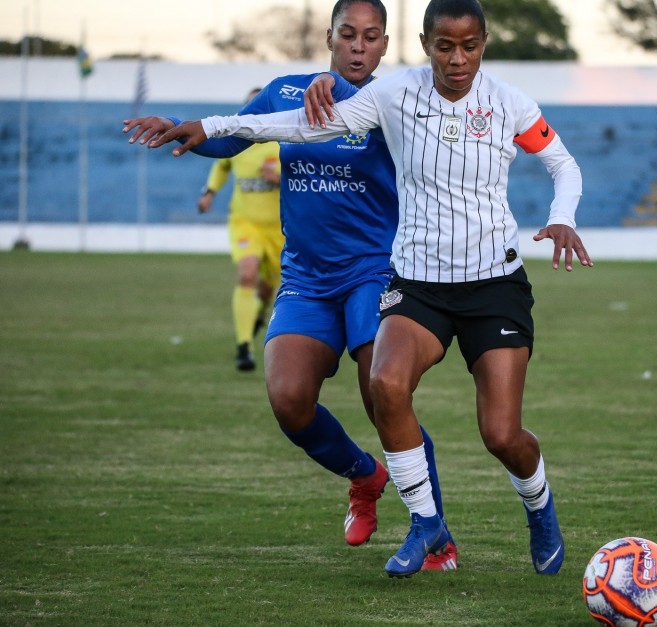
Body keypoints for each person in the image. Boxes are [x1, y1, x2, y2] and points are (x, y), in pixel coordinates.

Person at [144, 0, 592, 578]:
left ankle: (539, 508)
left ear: (484, 42)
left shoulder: (508, 104)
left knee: (501, 435)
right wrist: (214, 126)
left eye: (470, 45)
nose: (457, 58)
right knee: (380, 385)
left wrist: (564, 216)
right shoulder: (392, 96)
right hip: (412, 285)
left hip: (486, 284)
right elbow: (299, 125)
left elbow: (562, 163)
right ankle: (425, 523)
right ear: (425, 43)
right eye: (445, 46)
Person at [123, 0, 458, 571]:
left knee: (384, 395)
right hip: (306, 275)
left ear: (383, 46)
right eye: (348, 34)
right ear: (329, 37)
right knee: (289, 401)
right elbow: (233, 137)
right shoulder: (285, 93)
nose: (359, 45)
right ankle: (365, 477)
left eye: (371, 37)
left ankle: (436, 531)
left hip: (375, 269)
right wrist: (185, 128)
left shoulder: (396, 102)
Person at [194, 88, 282, 372]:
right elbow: (222, 167)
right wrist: (209, 193)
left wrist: (279, 177)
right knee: (246, 274)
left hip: (280, 230)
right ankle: (244, 346)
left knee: (268, 288)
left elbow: (307, 176)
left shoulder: (285, 141)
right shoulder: (237, 142)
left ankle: (258, 314)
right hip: (246, 223)